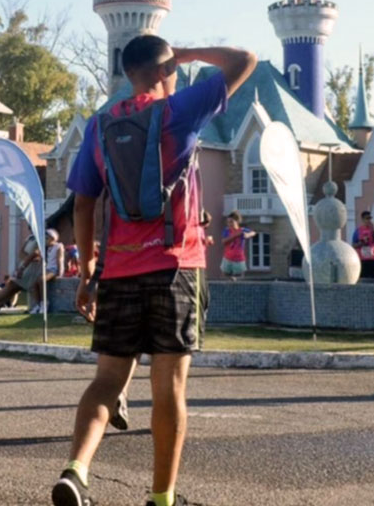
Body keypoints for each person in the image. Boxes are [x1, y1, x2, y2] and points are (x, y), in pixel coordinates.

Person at [55, 36, 255, 506]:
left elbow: (84, 204)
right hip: (175, 268)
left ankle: (76, 469)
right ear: (165, 70)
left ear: (128, 74)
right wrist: (186, 56)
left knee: (107, 382)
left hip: (120, 270)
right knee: (168, 386)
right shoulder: (177, 112)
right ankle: (161, 497)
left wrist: (87, 271)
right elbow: (245, 59)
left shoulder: (102, 125)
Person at [0, 235, 41, 316]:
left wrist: (29, 258)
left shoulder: (41, 237)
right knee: (12, 289)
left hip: (33, 269)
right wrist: (28, 258)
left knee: (13, 285)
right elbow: (21, 253)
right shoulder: (30, 238)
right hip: (25, 266)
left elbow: (37, 254)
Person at [31, 229, 65, 314]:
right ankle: (38, 304)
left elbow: (59, 259)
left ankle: (45, 303)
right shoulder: (47, 248)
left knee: (42, 280)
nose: (45, 240)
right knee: (34, 283)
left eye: (47, 238)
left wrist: (60, 273)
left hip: (54, 269)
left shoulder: (59, 246)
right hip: (47, 268)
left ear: (53, 238)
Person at [220, 211, 255, 280]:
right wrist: (234, 236)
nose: (229, 224)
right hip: (227, 258)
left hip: (239, 259)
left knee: (239, 278)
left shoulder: (241, 230)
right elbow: (224, 241)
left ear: (237, 221)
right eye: (228, 222)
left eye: (231, 222)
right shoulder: (227, 231)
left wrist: (247, 235)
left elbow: (253, 232)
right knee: (224, 278)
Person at [352, 210, 374, 279]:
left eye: (370, 218)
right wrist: (362, 242)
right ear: (363, 219)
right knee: (363, 279)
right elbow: (354, 245)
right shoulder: (358, 231)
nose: (369, 220)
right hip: (363, 259)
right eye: (367, 218)